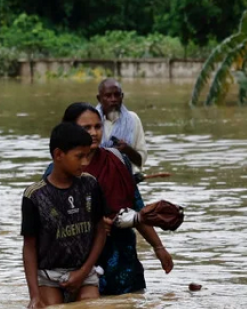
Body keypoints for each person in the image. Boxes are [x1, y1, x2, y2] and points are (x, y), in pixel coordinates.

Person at [59, 103, 173, 295]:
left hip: (123, 263)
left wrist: (158, 247)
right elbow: (52, 221)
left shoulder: (118, 159)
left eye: (97, 126)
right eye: (86, 128)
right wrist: (91, 223)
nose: (94, 133)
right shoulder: (60, 169)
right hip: (81, 267)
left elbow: (136, 207)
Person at [22, 122, 111, 309]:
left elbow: (100, 232)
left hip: (85, 272)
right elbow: (29, 246)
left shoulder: (90, 185)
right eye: (79, 157)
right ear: (58, 155)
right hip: (49, 276)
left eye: (87, 156)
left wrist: (83, 272)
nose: (85, 163)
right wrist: (34, 296)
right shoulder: (34, 195)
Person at [96, 78, 146, 175]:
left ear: (122, 97)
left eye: (117, 95)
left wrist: (128, 150)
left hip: (125, 180)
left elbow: (141, 161)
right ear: (99, 98)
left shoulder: (133, 120)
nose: (113, 99)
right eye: (108, 96)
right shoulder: (91, 121)